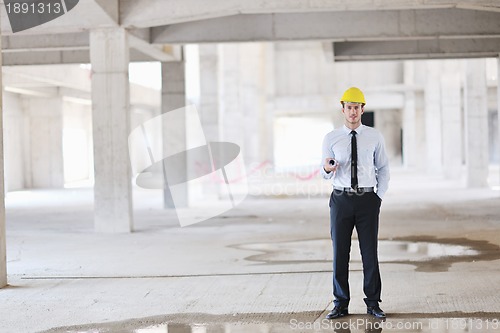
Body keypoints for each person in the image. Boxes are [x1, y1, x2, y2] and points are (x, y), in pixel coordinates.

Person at [321, 87, 390, 319]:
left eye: (356, 107)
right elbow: (325, 171)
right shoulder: (331, 138)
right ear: (343, 110)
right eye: (349, 107)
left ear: (362, 109)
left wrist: (378, 197)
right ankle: (340, 303)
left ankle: (373, 303)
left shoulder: (374, 136)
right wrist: (327, 168)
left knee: (369, 252)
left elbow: (383, 168)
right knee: (340, 252)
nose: (352, 112)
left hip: (367, 200)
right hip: (340, 199)